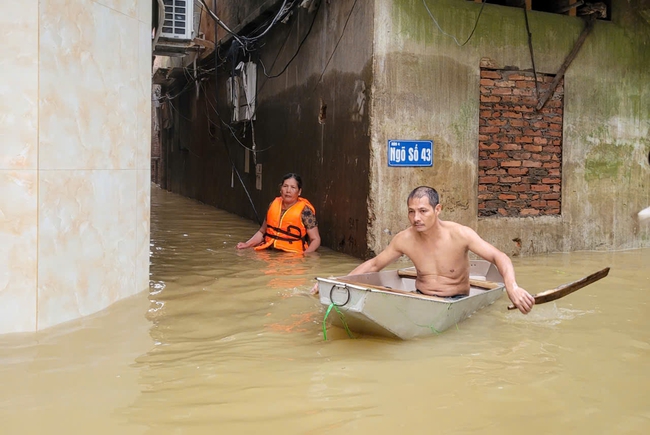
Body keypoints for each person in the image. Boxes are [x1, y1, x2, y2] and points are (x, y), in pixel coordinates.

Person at [311, 186, 535, 314]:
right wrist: (337, 282)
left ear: (438, 209)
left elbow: (499, 256)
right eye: (411, 211)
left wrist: (512, 287)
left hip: (455, 299)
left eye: (422, 211)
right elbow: (374, 264)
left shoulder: (460, 234)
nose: (416, 218)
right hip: (421, 298)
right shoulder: (405, 238)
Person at [236, 173, 321, 253]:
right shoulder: (273, 204)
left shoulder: (305, 212)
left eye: (293, 187)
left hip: (293, 256)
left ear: (299, 192)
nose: (288, 190)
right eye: (285, 186)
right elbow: (262, 232)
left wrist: (305, 255)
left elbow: (315, 239)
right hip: (269, 251)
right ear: (281, 189)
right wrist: (247, 244)